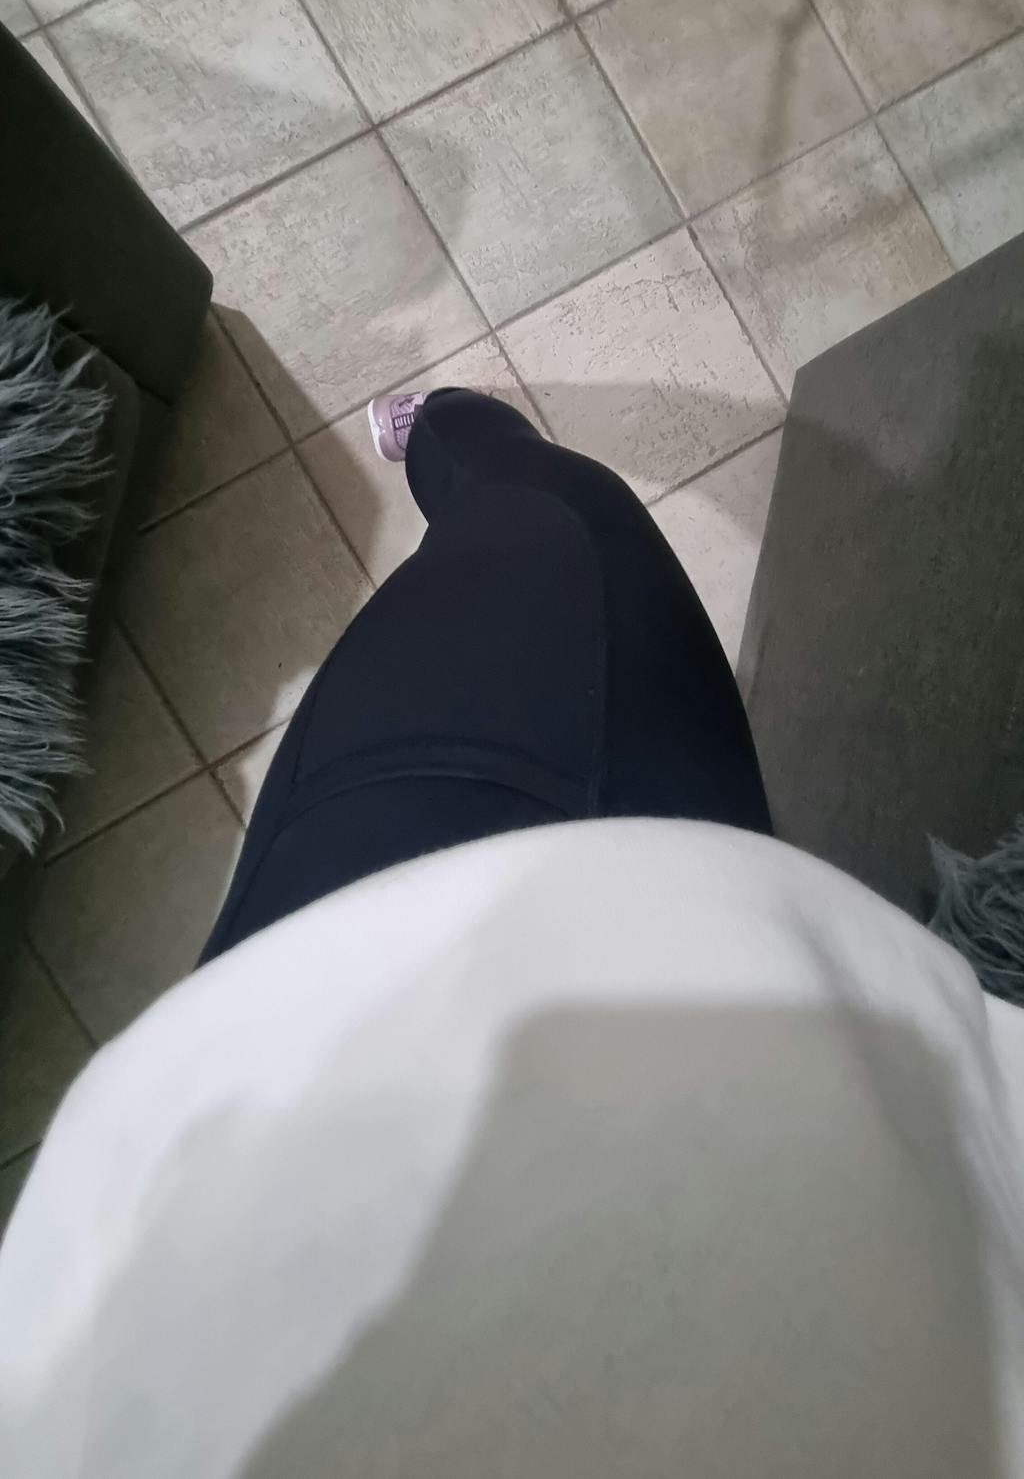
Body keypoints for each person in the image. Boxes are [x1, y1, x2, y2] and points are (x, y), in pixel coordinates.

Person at [1, 390, 1023, 1479]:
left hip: (302, 1076)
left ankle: (449, 432)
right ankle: (455, 429)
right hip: (413, 1034)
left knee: (544, 524)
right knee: (555, 517)